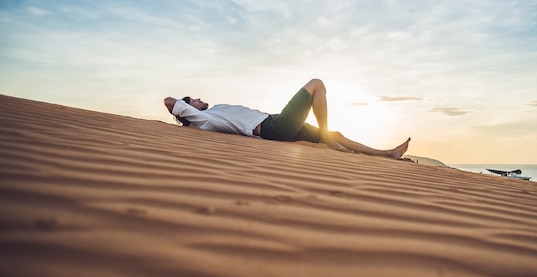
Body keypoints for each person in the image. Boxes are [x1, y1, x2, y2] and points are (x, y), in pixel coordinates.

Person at [164, 78, 410, 159]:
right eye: (192, 100)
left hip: (275, 122)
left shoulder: (211, 111)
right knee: (316, 84)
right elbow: (168, 101)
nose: (198, 99)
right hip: (273, 127)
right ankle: (325, 135)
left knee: (337, 136)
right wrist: (185, 107)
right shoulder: (201, 119)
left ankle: (387, 155)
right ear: (187, 108)